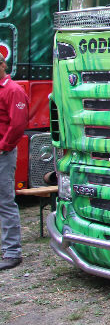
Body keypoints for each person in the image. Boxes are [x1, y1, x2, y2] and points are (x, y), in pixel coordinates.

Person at [0, 55, 29, 270]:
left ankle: (12, 252)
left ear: (3, 65)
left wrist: (4, 146)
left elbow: (18, 124)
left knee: (5, 202)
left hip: (3, 154)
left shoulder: (13, 90)